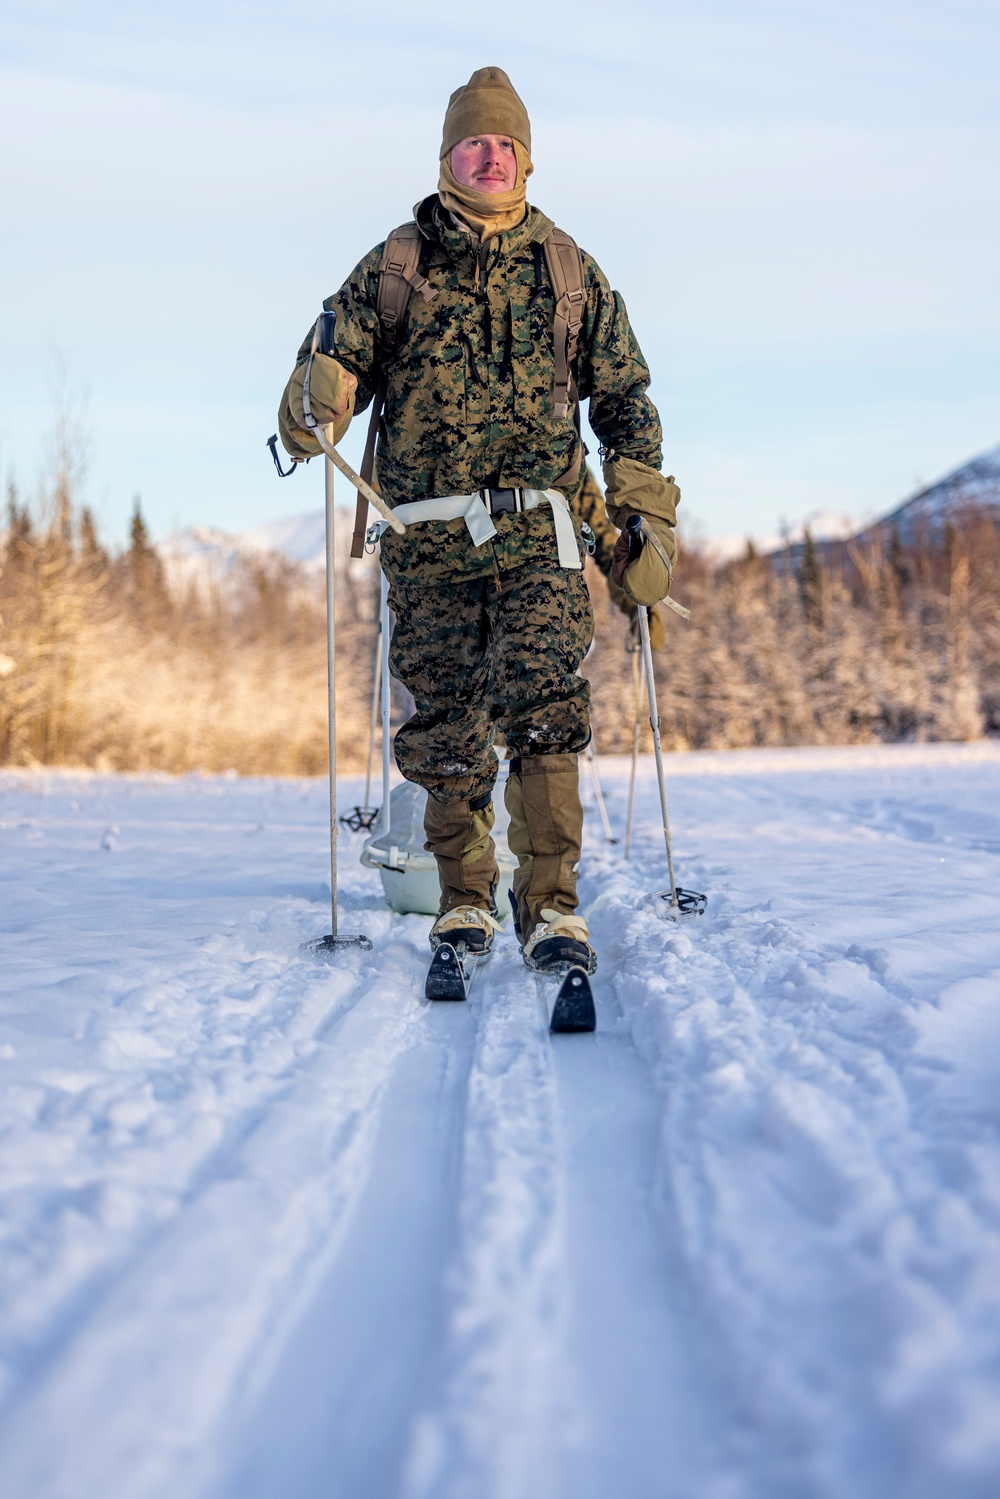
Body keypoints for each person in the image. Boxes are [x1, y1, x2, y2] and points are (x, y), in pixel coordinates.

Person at [278, 67, 680, 975]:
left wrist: (643, 511)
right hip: (424, 540)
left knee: (543, 711)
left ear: (526, 160)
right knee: (447, 727)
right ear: (448, 155)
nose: (490, 155)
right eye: (474, 141)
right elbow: (327, 362)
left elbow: (625, 396)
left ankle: (552, 910)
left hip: (542, 533)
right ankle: (465, 902)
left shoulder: (570, 271)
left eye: (505, 143)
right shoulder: (395, 266)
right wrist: (314, 404)